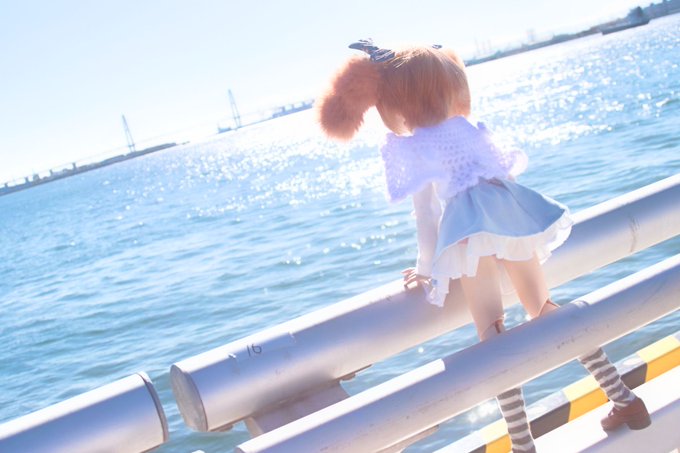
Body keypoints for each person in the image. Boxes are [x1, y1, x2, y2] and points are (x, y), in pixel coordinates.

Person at [317, 39, 651, 452]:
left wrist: (425, 269)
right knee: (546, 310)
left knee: (493, 337)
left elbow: (427, 217)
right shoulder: (467, 128)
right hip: (510, 215)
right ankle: (624, 397)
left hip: (470, 233)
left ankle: (522, 443)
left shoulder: (415, 145)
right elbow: (503, 172)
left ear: (394, 101)